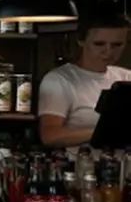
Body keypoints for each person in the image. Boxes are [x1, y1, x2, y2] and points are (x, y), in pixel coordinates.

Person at [38, 10, 131, 147]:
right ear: (81, 41)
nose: (109, 51)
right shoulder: (59, 80)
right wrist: (107, 129)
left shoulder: (126, 77)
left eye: (117, 45)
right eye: (99, 44)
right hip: (82, 159)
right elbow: (50, 136)